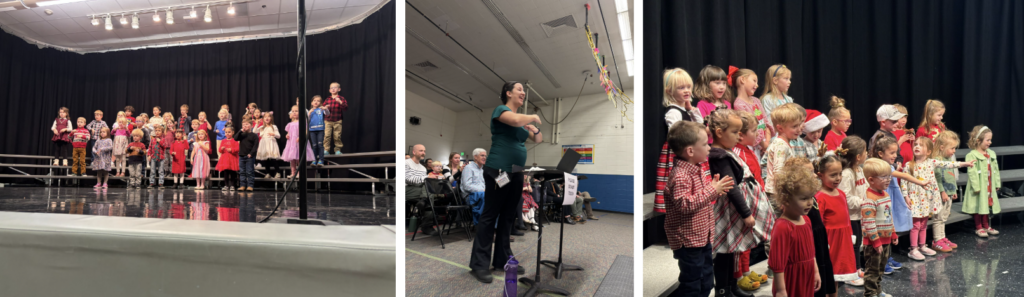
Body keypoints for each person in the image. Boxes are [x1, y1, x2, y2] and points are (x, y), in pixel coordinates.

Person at [468, 81, 546, 284]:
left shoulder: (521, 122)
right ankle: (479, 264)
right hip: (500, 172)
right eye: (519, 89)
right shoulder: (502, 111)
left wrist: (534, 129)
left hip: (516, 173)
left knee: (508, 216)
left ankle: (503, 259)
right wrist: (531, 118)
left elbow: (538, 140)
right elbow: (512, 120)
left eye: (524, 90)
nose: (523, 93)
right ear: (508, 93)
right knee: (490, 214)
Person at [663, 120, 734, 297]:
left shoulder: (697, 168)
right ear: (690, 151)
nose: (709, 147)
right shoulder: (680, 176)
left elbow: (700, 199)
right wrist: (712, 190)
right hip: (688, 240)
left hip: (702, 236)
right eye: (705, 144)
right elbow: (685, 205)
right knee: (692, 283)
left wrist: (715, 191)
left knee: (707, 280)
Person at [705, 109, 769, 297]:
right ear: (719, 133)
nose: (738, 136)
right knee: (725, 253)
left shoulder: (727, 151)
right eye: (734, 132)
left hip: (733, 212)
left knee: (733, 251)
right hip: (728, 212)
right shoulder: (720, 156)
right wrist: (746, 213)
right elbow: (732, 188)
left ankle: (733, 287)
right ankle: (723, 291)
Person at [901, 137, 973, 260]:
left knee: (923, 224)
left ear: (928, 151)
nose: (917, 147)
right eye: (916, 144)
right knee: (916, 225)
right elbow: (904, 180)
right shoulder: (909, 165)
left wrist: (964, 164)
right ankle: (913, 249)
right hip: (915, 199)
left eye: (921, 145)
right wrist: (906, 196)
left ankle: (922, 246)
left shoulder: (931, 162)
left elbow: (948, 164)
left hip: (926, 199)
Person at [768, 161, 821, 297]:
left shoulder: (806, 220)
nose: (810, 202)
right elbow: (777, 264)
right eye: (803, 198)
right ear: (786, 200)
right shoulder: (783, 226)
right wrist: (780, 290)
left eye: (810, 197)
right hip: (791, 279)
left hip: (806, 275)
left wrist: (815, 271)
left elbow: (811, 251)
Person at [655, 68, 703, 214]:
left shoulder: (686, 110)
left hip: (688, 152)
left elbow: (700, 127)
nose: (686, 91)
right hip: (678, 153)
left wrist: (692, 110)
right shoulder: (674, 111)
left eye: (688, 87)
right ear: (669, 91)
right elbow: (675, 134)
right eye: (681, 88)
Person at [814, 154, 860, 295]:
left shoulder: (841, 193)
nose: (838, 178)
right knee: (829, 273)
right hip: (830, 241)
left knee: (837, 275)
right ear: (821, 175)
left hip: (842, 240)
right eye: (833, 175)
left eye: (840, 174)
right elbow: (818, 225)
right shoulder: (820, 197)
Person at [860, 158, 899, 297]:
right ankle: (870, 293)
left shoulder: (886, 195)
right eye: (883, 177)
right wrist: (876, 242)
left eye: (889, 176)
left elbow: (889, 217)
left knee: (881, 268)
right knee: (872, 270)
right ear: (871, 180)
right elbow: (869, 223)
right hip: (874, 243)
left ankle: (878, 290)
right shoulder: (869, 199)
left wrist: (893, 233)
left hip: (885, 240)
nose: (888, 179)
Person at [836, 136, 868, 284]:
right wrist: (864, 202)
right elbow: (846, 198)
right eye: (865, 151)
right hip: (850, 217)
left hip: (858, 215)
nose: (867, 153)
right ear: (858, 156)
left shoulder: (859, 170)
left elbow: (865, 188)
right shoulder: (846, 174)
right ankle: (851, 273)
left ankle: (857, 269)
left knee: (857, 243)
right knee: (851, 245)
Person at [963, 125, 1001, 237]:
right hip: (979, 186)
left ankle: (986, 225)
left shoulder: (991, 154)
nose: (990, 142)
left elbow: (995, 170)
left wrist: (997, 183)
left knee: (986, 205)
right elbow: (972, 173)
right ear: (978, 140)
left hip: (988, 185)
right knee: (978, 205)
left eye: (990, 140)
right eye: (988, 140)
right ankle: (979, 227)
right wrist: (976, 186)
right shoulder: (972, 155)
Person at [729, 67, 770, 157]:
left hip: (764, 145)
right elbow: (749, 128)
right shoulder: (739, 105)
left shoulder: (756, 100)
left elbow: (766, 122)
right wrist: (763, 145)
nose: (757, 85)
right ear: (742, 80)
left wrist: (767, 142)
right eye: (754, 81)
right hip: (752, 146)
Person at [931, 131, 961, 250]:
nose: (954, 151)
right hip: (941, 194)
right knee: (938, 218)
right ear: (942, 147)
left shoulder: (948, 159)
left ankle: (942, 238)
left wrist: (954, 190)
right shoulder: (938, 160)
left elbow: (951, 176)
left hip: (949, 193)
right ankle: (937, 240)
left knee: (944, 217)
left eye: (955, 148)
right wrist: (942, 192)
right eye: (952, 148)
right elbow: (938, 178)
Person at [405, 144, 437, 235]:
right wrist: (427, 177)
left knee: (429, 193)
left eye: (424, 151)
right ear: (414, 152)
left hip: (419, 189)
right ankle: (426, 226)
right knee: (428, 193)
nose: (423, 153)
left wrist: (427, 179)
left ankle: (424, 200)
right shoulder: (405, 163)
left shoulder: (423, 168)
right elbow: (408, 180)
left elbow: (422, 181)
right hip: (406, 188)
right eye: (421, 151)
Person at [759, 64, 793, 138]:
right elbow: (768, 122)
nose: (789, 82)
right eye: (786, 79)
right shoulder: (767, 99)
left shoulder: (789, 99)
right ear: (775, 80)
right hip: (775, 137)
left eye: (789, 79)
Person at [283, 105, 315, 178]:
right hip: (291, 143)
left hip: (299, 143)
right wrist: (287, 135)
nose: (294, 113)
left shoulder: (303, 122)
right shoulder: (290, 124)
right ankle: (293, 173)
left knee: (298, 158)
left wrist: (301, 137)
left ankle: (299, 173)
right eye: (293, 111)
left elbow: (306, 132)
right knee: (292, 159)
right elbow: (289, 132)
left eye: (296, 111)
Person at [462, 148, 487, 226]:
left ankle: (494, 227)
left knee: (496, 197)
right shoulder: (468, 168)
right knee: (487, 196)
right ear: (475, 157)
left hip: (481, 195)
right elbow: (467, 186)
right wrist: (483, 190)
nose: (484, 158)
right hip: (470, 196)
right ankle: (484, 226)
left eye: (485, 156)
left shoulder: (482, 170)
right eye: (482, 155)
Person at [323, 82, 349, 155]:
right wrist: (324, 108)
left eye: (335, 87)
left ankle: (337, 150)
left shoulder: (341, 98)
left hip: (337, 120)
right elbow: (323, 108)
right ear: (329, 90)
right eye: (331, 88)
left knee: (337, 136)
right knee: (327, 136)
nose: (333, 89)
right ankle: (326, 150)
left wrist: (340, 102)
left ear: (339, 89)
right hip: (328, 120)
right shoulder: (327, 99)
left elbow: (346, 108)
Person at [235, 122, 260, 191]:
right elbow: (235, 138)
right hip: (241, 155)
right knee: (242, 171)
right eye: (243, 125)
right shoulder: (242, 134)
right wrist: (240, 131)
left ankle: (250, 185)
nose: (245, 126)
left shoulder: (254, 135)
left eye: (246, 124)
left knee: (249, 171)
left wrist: (251, 153)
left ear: (251, 126)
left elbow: (255, 146)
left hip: (249, 156)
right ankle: (242, 185)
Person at [255, 112, 282, 178]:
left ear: (271, 118)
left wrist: (274, 134)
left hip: (271, 143)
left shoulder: (273, 126)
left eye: (268, 116)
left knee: (273, 159)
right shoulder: (262, 127)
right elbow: (254, 131)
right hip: (264, 144)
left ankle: (278, 172)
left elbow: (279, 136)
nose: (267, 118)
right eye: (265, 117)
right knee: (265, 159)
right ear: (263, 119)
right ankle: (268, 173)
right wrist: (257, 124)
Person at [307, 96, 329, 166]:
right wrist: (309, 113)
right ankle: (314, 160)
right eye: (314, 100)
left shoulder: (321, 109)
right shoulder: (310, 111)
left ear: (320, 103)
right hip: (312, 130)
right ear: (312, 102)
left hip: (320, 130)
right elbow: (307, 120)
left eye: (318, 101)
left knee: (320, 145)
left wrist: (325, 109)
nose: (316, 102)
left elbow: (327, 114)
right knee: (314, 145)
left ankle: (321, 160)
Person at [217, 127, 240, 191]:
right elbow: (219, 150)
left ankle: (232, 185)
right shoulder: (223, 141)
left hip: (232, 158)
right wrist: (221, 149)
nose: (227, 133)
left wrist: (231, 150)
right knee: (226, 173)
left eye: (229, 132)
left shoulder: (235, 140)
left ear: (233, 132)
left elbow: (237, 149)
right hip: (225, 159)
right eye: (226, 132)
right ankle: (226, 185)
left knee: (232, 172)